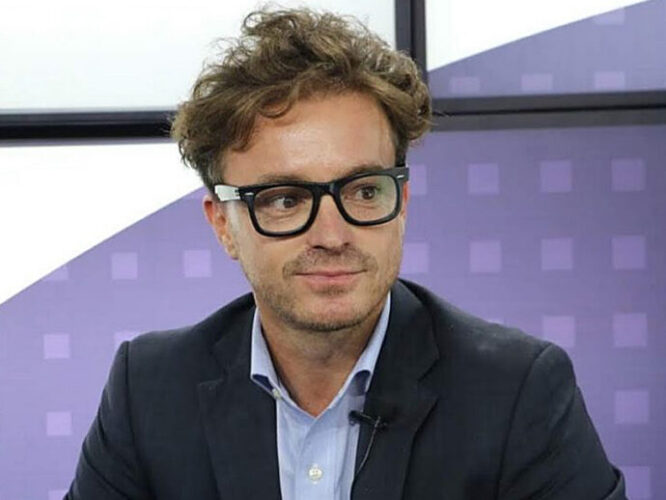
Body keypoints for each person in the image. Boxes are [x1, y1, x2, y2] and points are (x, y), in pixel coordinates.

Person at [67, 8, 626, 500]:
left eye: (363, 192)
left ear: (401, 204)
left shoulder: (516, 392)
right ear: (223, 225)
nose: (332, 234)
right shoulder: (149, 391)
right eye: (285, 199)